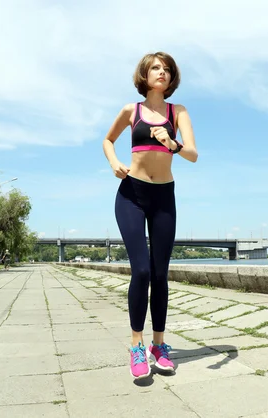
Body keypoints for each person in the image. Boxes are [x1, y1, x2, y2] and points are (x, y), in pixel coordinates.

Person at [102, 51, 198, 379]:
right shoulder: (132, 110)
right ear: (144, 75)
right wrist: (114, 162)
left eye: (167, 69)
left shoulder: (178, 111)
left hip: (163, 198)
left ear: (172, 79)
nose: (162, 73)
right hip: (132, 195)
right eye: (156, 68)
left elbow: (193, 154)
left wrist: (171, 142)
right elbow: (107, 139)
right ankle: (136, 346)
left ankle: (159, 345)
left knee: (160, 274)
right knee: (141, 270)